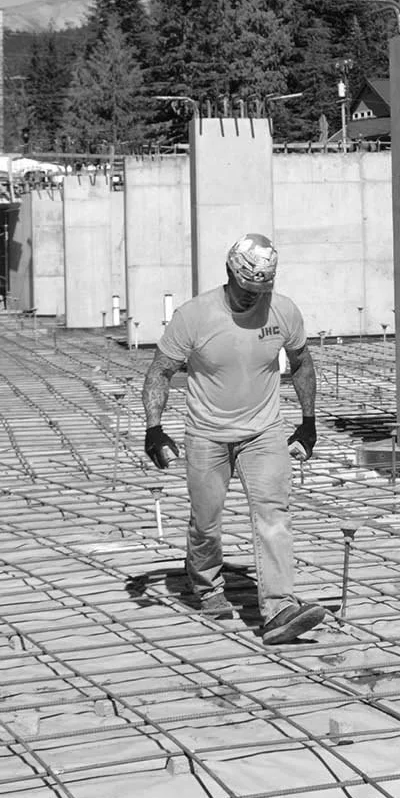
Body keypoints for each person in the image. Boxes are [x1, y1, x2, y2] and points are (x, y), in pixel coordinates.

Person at [142, 232, 327, 645]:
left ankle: (279, 609)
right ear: (229, 273)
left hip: (263, 432)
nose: (251, 299)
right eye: (245, 290)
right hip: (207, 434)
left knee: (274, 515)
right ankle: (207, 585)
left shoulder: (283, 311)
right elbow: (159, 372)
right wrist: (154, 428)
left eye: (260, 290)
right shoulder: (194, 316)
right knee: (206, 523)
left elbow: (301, 364)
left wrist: (309, 421)